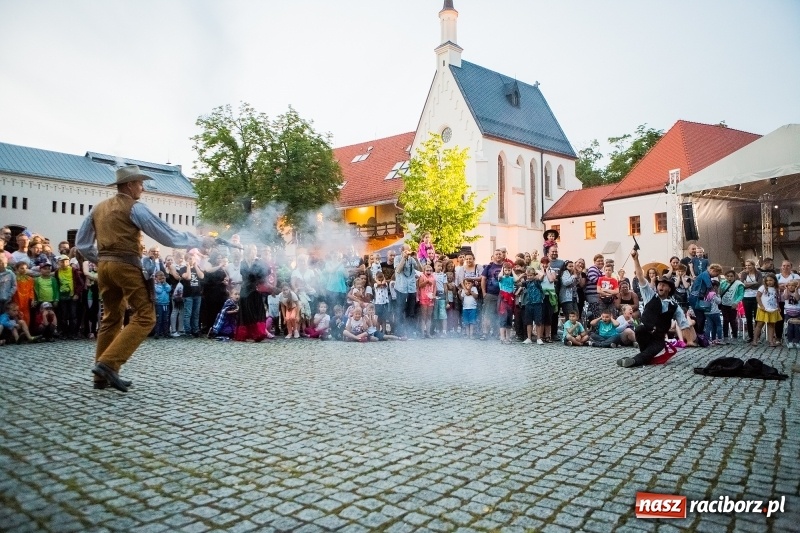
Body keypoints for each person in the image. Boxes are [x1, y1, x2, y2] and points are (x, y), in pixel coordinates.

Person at [76, 165, 209, 391]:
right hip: (126, 265)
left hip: (105, 267)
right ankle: (108, 364)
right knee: (146, 317)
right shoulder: (136, 208)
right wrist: (197, 241)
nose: (143, 188)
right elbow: (167, 235)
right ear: (129, 185)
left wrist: (102, 259)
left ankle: (101, 378)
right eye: (140, 183)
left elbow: (82, 244)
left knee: (111, 318)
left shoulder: (97, 209)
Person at [617, 249, 690, 368]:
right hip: (644, 334)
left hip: (658, 339)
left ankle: (633, 360)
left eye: (664, 284)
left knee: (651, 351)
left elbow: (684, 325)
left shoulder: (674, 306)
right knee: (640, 329)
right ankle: (640, 358)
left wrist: (691, 339)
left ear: (669, 289)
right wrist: (635, 259)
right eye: (659, 284)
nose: (660, 285)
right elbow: (640, 277)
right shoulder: (650, 295)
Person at [393, 244, 421, 336]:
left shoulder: (412, 259)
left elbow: (421, 270)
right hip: (401, 288)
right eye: (406, 251)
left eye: (409, 250)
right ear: (402, 251)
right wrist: (403, 258)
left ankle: (410, 331)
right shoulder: (397, 258)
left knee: (411, 311)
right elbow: (398, 270)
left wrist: (416, 258)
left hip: (411, 288)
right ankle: (400, 331)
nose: (408, 252)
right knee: (400, 310)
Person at [480, 249, 504, 340]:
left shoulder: (505, 266)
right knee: (487, 314)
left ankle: (497, 333)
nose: (498, 255)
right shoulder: (489, 267)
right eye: (496, 254)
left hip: (502, 295)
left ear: (502, 256)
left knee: (500, 314)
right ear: (493, 256)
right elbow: (483, 279)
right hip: (490, 294)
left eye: (500, 254)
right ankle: (485, 333)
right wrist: (484, 293)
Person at [752, 273, 781, 347]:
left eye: (771, 280)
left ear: (774, 281)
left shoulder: (776, 289)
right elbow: (758, 296)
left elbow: (777, 299)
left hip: (772, 309)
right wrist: (761, 306)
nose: (769, 282)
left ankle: (771, 341)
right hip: (763, 309)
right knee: (759, 324)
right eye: (767, 280)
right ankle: (755, 340)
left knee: (771, 325)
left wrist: (778, 307)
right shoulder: (762, 288)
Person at [776, 260, 800, 342]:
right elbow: (774, 286)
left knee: (793, 322)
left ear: (791, 267)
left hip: (792, 302)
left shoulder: (795, 276)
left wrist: (783, 286)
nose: (785, 267)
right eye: (784, 265)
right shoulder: (777, 276)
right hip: (779, 300)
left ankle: (794, 338)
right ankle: (778, 337)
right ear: (781, 267)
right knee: (779, 319)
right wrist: (786, 286)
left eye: (788, 266)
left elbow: (798, 285)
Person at [739, 259, 762, 343]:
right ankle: (750, 336)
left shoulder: (758, 273)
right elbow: (742, 284)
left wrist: (748, 284)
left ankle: (757, 336)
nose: (748, 267)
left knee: (757, 317)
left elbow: (759, 284)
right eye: (746, 265)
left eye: (750, 265)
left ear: (753, 265)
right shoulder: (744, 273)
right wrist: (753, 283)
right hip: (746, 297)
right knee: (748, 318)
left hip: (756, 297)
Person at [719, 270, 744, 344]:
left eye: (731, 276)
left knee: (733, 320)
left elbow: (741, 294)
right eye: (728, 276)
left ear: (734, 276)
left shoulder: (739, 284)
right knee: (725, 320)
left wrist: (736, 302)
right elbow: (720, 292)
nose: (729, 278)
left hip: (733, 304)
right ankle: (726, 337)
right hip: (724, 304)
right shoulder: (723, 283)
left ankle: (735, 337)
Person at [703, 279, 723, 345]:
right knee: (718, 325)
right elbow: (719, 301)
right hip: (715, 312)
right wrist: (719, 295)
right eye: (717, 287)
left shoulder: (705, 293)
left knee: (709, 326)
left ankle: (708, 339)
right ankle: (719, 339)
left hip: (707, 312)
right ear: (715, 287)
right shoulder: (713, 294)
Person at [152, 271, 172, 339]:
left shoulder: (166, 284)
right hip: (159, 304)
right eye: (159, 279)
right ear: (156, 278)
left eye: (162, 278)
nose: (161, 280)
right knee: (159, 319)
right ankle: (157, 332)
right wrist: (160, 284)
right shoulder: (155, 285)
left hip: (166, 304)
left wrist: (165, 283)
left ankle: (166, 332)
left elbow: (169, 289)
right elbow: (159, 291)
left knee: (166, 319)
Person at [783, 280, 800, 349]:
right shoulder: (786, 291)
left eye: (793, 285)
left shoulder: (798, 291)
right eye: (789, 285)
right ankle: (790, 341)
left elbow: (797, 298)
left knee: (797, 327)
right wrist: (786, 289)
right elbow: (786, 297)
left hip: (797, 312)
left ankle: (797, 341)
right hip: (788, 312)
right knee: (790, 327)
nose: (791, 287)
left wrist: (796, 290)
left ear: (796, 286)